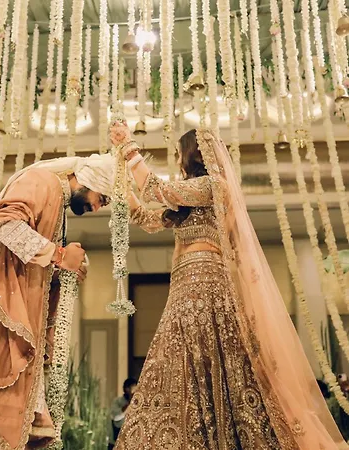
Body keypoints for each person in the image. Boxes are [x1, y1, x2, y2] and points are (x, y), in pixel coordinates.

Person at [109, 123, 348, 449]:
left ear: (193, 155)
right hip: (181, 288)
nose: (177, 160)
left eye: (179, 154)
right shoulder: (187, 200)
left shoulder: (214, 186)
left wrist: (129, 149)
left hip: (206, 284)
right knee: (182, 362)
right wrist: (121, 191)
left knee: (218, 359)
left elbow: (156, 189)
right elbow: (149, 219)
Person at [0, 154, 115, 450]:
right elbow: (4, 224)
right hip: (3, 316)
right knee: (5, 421)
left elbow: (31, 261)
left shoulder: (56, 200)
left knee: (19, 430)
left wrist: (63, 268)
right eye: (101, 199)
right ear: (88, 180)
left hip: (22, 319)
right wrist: (59, 255)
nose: (96, 207)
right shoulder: (41, 182)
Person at [108, 378, 137, 449]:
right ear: (126, 389)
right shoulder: (118, 401)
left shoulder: (138, 403)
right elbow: (115, 417)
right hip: (116, 441)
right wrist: (130, 404)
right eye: (132, 388)